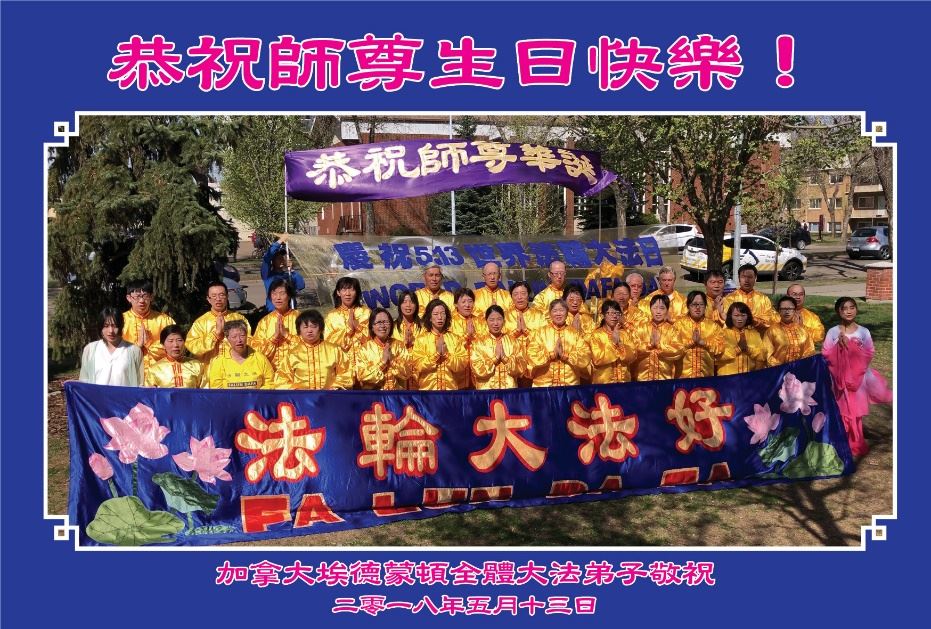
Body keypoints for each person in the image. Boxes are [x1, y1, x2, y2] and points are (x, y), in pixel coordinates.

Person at [821, 297, 892, 458]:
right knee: (841, 409)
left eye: (852, 307)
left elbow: (869, 352)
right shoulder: (833, 332)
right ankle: (840, 440)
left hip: (859, 380)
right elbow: (826, 353)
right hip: (839, 380)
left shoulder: (863, 332)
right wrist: (838, 347)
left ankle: (855, 440)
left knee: (855, 411)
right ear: (838, 312)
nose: (849, 311)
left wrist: (852, 348)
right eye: (844, 308)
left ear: (856, 309)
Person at [275, 310, 353, 390]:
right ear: (299, 331)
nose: (309, 331)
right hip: (301, 397)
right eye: (305, 327)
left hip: (329, 396)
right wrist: (296, 391)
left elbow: (346, 372)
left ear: (321, 329)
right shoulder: (292, 354)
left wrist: (335, 387)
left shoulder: (334, 350)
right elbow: (281, 379)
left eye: (313, 326)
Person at [527, 299, 592, 387]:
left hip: (569, 384)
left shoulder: (575, 334)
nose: (558, 314)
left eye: (561, 310)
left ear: (567, 313)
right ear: (550, 314)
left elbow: (585, 356)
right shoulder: (540, 333)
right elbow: (532, 355)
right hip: (544, 385)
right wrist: (551, 355)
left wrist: (565, 355)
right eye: (555, 311)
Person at [186, 280, 252, 364]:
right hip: (210, 367)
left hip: (235, 366)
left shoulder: (238, 319)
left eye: (221, 295)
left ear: (227, 296)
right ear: (208, 299)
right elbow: (192, 346)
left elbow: (249, 342)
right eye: (214, 296)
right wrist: (215, 334)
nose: (218, 299)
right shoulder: (201, 322)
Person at [121, 280, 176, 376]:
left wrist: (149, 344)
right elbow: (114, 350)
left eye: (145, 296)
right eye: (137, 297)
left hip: (159, 374)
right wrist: (137, 346)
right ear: (129, 298)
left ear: (151, 297)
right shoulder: (121, 321)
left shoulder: (164, 320)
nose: (141, 301)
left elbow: (174, 346)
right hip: (128, 373)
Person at [411, 299, 469, 390]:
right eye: (435, 314)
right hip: (429, 391)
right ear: (430, 318)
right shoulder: (421, 339)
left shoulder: (455, 338)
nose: (440, 317)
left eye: (443, 313)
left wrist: (447, 355)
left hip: (450, 390)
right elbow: (418, 365)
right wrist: (436, 355)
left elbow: (462, 363)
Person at [79, 307, 143, 386]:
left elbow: (140, 383)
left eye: (114, 326)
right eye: (106, 326)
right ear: (101, 327)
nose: (111, 331)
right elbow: (84, 381)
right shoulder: (90, 350)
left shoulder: (134, 351)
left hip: (124, 394)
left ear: (121, 326)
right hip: (97, 394)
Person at [204, 320, 275, 389]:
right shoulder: (220, 362)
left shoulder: (260, 359)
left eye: (242, 336)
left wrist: (255, 395)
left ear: (247, 336)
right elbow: (216, 389)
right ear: (227, 339)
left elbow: (270, 383)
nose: (239, 340)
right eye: (234, 337)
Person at [630, 294, 685, 381]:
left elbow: (679, 350)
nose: (658, 312)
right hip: (642, 378)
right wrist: (648, 345)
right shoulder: (640, 328)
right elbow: (632, 348)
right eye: (655, 308)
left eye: (662, 308)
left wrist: (660, 346)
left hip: (664, 379)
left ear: (667, 310)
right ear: (650, 309)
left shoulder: (672, 330)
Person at [471, 305, 527, 390]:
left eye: (499, 319)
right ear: (486, 321)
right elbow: (477, 370)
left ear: (504, 321)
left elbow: (521, 367)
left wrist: (505, 359)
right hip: (487, 391)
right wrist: (495, 359)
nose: (496, 323)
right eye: (491, 320)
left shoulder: (513, 342)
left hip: (508, 390)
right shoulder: (478, 343)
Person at [355, 308, 411, 390]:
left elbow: (407, 373)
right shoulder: (364, 349)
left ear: (391, 325)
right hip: (375, 396)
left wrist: (392, 361)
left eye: (386, 322)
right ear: (372, 327)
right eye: (379, 322)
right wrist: (383, 362)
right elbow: (362, 376)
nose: (383, 326)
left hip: (396, 395)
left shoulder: (399, 346)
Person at [251, 279, 300, 373]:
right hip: (271, 372)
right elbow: (256, 351)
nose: (278, 298)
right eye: (274, 294)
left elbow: (308, 346)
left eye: (282, 293)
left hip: (295, 372)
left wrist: (286, 335)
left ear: (289, 295)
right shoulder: (264, 322)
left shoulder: (300, 318)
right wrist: (274, 338)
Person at [673, 291, 725, 379]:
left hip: (706, 376)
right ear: (688, 306)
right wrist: (691, 342)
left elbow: (720, 348)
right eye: (694, 304)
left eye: (701, 304)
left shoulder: (713, 326)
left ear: (705, 306)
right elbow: (673, 349)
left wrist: (704, 343)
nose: (698, 307)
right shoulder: (678, 325)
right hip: (683, 377)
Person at [324, 276, 371, 366]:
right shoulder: (331, 316)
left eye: (352, 290)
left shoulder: (366, 312)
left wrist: (358, 327)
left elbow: (373, 340)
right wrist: (348, 330)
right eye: (344, 290)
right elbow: (328, 343)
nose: (348, 294)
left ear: (357, 292)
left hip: (365, 364)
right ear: (338, 292)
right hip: (343, 366)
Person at [589, 300, 634, 384]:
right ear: (603, 315)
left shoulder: (624, 333)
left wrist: (620, 344)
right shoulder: (596, 335)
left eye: (617, 313)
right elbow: (597, 359)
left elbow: (633, 356)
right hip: (604, 383)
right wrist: (613, 343)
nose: (614, 316)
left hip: (624, 381)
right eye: (610, 313)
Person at [722, 264, 778, 333]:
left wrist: (753, 321)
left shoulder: (763, 299)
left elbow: (769, 321)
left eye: (750, 277)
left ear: (755, 278)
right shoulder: (730, 298)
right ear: (739, 278)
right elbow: (727, 320)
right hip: (735, 336)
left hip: (758, 337)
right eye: (743, 277)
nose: (746, 280)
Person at [763, 296, 817, 366]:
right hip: (779, 370)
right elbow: (767, 354)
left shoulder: (803, 331)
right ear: (779, 311)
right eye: (783, 309)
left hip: (799, 369)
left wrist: (801, 365)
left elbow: (810, 351)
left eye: (790, 309)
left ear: (795, 311)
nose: (787, 311)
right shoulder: (772, 330)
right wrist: (781, 368)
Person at [716, 302, 767, 375]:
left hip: (748, 378)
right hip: (727, 379)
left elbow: (762, 355)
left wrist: (748, 349)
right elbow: (717, 357)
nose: (740, 319)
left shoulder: (754, 334)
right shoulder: (722, 333)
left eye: (743, 315)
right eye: (736, 315)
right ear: (730, 316)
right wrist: (738, 349)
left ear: (747, 317)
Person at [261, 235, 305, 311]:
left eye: (283, 258)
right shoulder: (267, 275)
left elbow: (301, 285)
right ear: (272, 261)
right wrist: (280, 241)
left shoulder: (289, 275)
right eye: (278, 258)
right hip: (273, 312)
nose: (281, 260)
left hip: (290, 311)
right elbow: (267, 257)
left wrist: (292, 270)